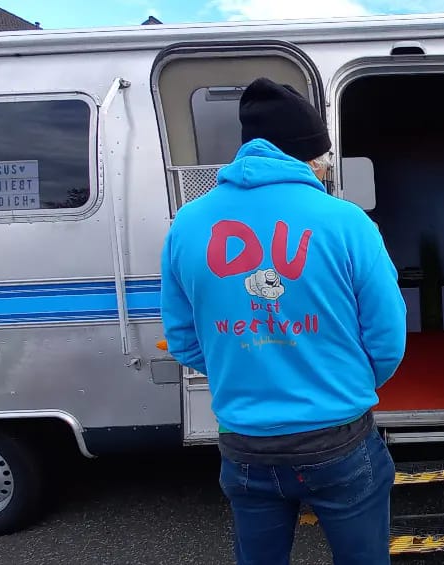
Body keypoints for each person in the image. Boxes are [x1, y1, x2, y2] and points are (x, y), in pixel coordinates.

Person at [160, 77, 407, 565]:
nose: (327, 165)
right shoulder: (347, 222)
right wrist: (344, 384)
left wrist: (245, 368)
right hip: (338, 436)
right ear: (308, 156)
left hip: (245, 444)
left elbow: (184, 341)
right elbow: (387, 338)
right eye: (324, 155)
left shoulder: (187, 223)